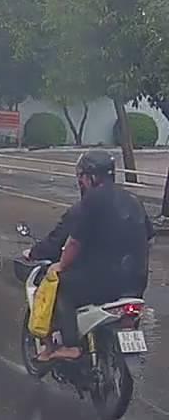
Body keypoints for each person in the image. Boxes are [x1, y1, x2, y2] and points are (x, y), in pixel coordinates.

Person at [25, 150, 154, 362]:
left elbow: (74, 242)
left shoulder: (91, 201)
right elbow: (149, 238)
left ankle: (70, 346)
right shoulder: (133, 199)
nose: (80, 182)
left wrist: (61, 265)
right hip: (136, 282)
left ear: (91, 177)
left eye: (81, 177)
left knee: (60, 285)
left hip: (103, 283)